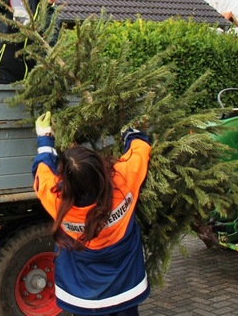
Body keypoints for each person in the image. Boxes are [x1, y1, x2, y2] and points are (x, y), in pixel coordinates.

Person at [31, 111, 152, 315]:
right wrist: (130, 132)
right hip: (125, 286)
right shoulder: (122, 183)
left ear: (64, 180)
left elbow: (42, 170)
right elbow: (140, 150)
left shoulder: (57, 201)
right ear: (100, 168)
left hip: (83, 296)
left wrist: (44, 137)